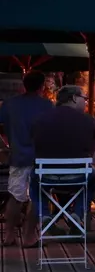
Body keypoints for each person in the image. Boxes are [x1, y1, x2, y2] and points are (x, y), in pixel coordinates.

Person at [27, 85, 95, 247]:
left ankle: (44, 214)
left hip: (46, 175)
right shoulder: (88, 120)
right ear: (74, 98)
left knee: (33, 181)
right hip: (78, 175)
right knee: (92, 178)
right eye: (84, 99)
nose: (86, 103)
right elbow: (91, 150)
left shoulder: (40, 119)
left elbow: (35, 144)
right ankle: (78, 214)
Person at [0, 72, 53, 246]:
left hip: (18, 156)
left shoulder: (10, 104)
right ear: (42, 86)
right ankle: (29, 237)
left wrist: (7, 143)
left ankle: (8, 235)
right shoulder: (47, 106)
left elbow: (2, 126)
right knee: (36, 198)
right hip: (40, 157)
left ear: (24, 85)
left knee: (15, 196)